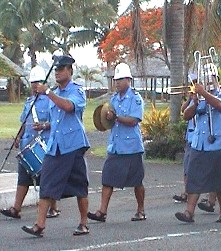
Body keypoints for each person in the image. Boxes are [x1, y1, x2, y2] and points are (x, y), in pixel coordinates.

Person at [21, 55, 90, 237]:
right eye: (56, 70)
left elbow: (69, 107)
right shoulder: (54, 92)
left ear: (70, 71)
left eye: (61, 69)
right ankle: (39, 224)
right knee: (46, 182)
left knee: (80, 185)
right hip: (55, 146)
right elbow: (54, 120)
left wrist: (48, 94)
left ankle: (83, 223)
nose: (58, 73)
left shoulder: (77, 91)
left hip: (73, 145)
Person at [87, 62, 146, 222]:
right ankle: (102, 211)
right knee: (107, 179)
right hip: (116, 146)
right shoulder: (113, 99)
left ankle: (141, 210)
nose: (117, 82)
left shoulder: (135, 98)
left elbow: (134, 120)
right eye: (116, 80)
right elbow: (107, 121)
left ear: (129, 80)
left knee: (137, 181)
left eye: (120, 79)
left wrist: (116, 117)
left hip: (131, 147)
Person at [175, 63, 221, 223]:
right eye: (205, 79)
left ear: (216, 80)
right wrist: (194, 100)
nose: (208, 82)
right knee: (194, 178)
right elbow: (186, 116)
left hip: (219, 143)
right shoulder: (199, 97)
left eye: (210, 79)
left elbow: (220, 106)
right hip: (200, 143)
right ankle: (189, 212)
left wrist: (204, 93)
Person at [0, 66, 59, 220]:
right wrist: (18, 138)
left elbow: (57, 122)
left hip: (43, 144)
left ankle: (53, 208)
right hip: (27, 144)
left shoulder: (50, 101)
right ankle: (16, 209)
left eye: (38, 82)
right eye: (33, 82)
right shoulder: (29, 102)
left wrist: (45, 125)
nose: (35, 85)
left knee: (46, 178)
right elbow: (24, 122)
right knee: (23, 177)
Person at [172, 74, 197, 203]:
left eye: (194, 82)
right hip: (190, 136)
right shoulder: (192, 97)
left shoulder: (203, 97)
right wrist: (189, 99)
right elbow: (183, 111)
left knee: (198, 168)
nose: (192, 85)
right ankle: (186, 191)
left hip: (199, 137)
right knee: (187, 166)